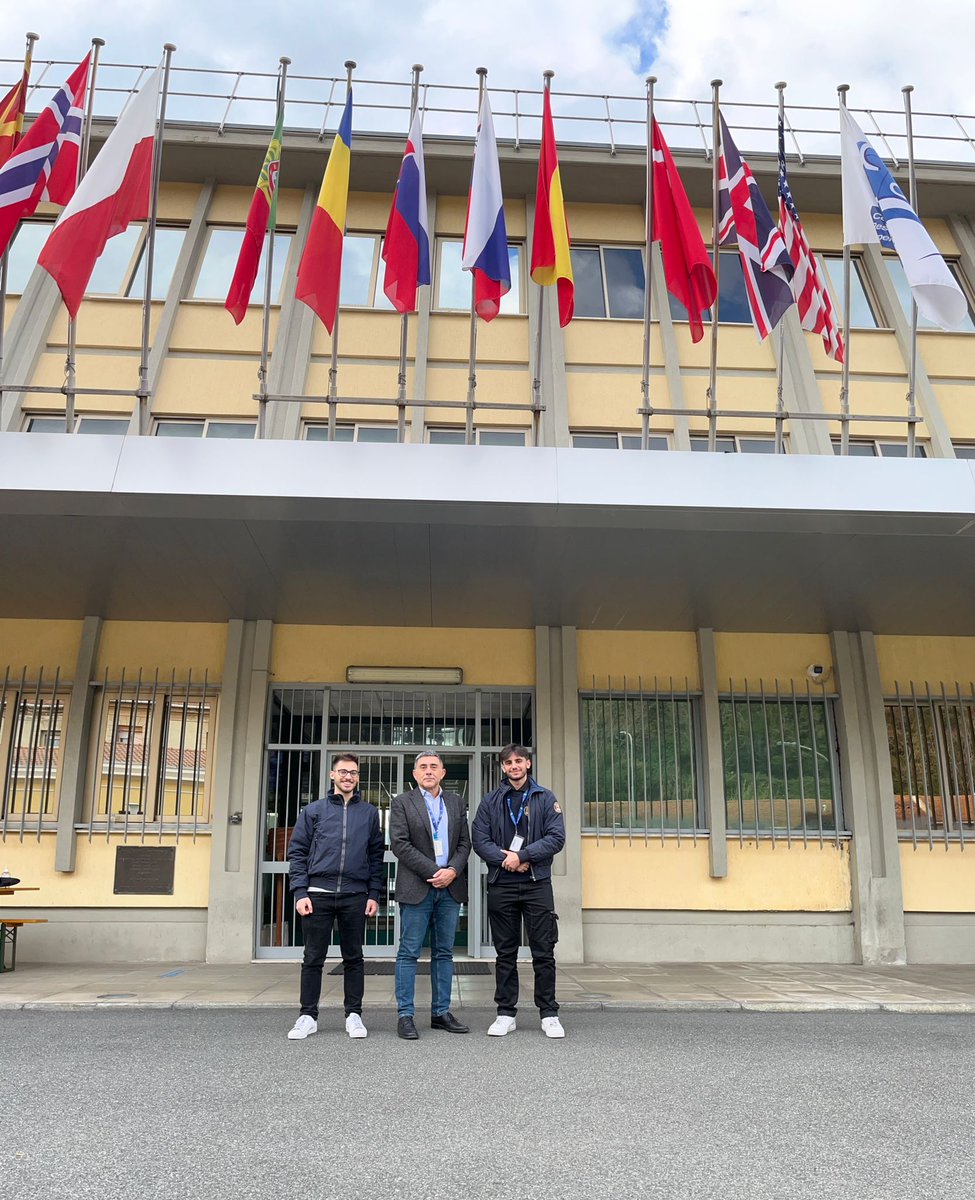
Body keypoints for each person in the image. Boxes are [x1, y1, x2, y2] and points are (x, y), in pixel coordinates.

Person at [286, 752, 385, 1041]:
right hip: (317, 895)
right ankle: (307, 1016)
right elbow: (297, 853)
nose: (348, 777)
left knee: (354, 958)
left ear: (357, 776)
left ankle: (354, 1015)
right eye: (343, 772)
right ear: (332, 775)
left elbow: (375, 856)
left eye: (353, 772)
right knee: (313, 957)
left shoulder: (369, 813)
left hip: (355, 895)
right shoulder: (313, 811)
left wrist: (374, 894)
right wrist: (300, 891)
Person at [472, 743, 566, 1039]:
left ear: (528, 764)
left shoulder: (545, 797)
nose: (514, 766)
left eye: (519, 761)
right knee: (505, 953)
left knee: (544, 951)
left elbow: (556, 838)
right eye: (508, 762)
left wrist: (522, 856)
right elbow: (479, 838)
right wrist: (507, 860)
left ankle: (549, 1013)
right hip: (502, 883)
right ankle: (505, 1013)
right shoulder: (491, 800)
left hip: (537, 883)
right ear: (502, 767)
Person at [389, 750, 472, 1039]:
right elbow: (400, 844)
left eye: (433, 766)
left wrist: (451, 871)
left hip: (450, 888)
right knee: (408, 952)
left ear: (443, 772)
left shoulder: (456, 802)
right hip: (417, 887)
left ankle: (440, 1013)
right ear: (414, 774)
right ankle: (406, 1015)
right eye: (422, 767)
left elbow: (464, 843)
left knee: (444, 953)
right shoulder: (401, 803)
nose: (428, 771)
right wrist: (434, 871)